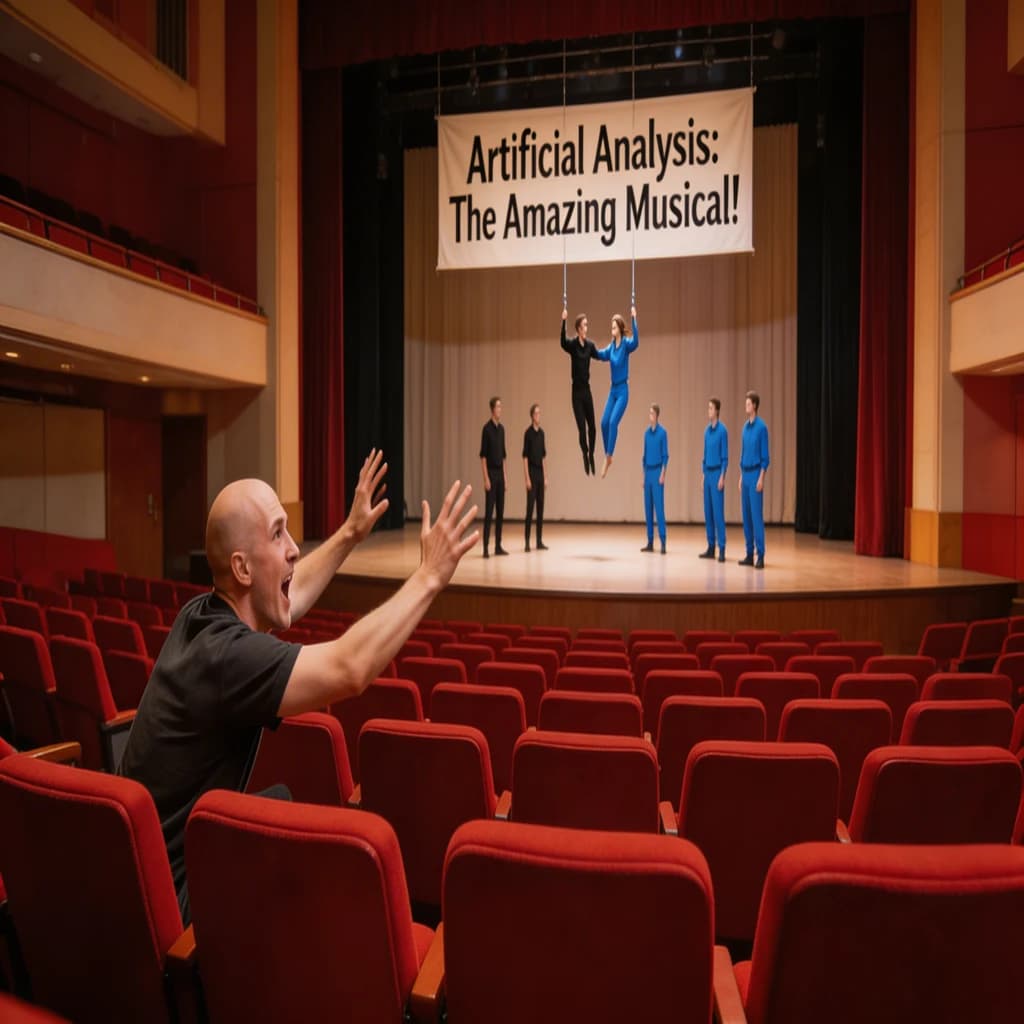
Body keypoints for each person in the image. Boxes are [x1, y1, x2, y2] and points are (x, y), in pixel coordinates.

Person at [119, 451, 478, 923]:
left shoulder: (201, 614)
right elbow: (350, 668)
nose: (294, 548)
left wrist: (350, 532)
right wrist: (429, 577)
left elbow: (291, 594)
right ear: (243, 569)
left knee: (281, 801)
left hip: (136, 871)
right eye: (277, 534)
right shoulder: (232, 660)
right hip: (170, 897)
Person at [595, 305, 639, 478]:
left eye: (613, 326)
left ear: (620, 328)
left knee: (613, 422)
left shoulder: (626, 345)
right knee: (604, 422)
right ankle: (608, 455)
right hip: (613, 390)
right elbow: (600, 355)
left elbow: (636, 342)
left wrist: (635, 318)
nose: (611, 329)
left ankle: (608, 457)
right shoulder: (611, 347)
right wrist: (585, 348)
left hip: (622, 391)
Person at [560, 309, 598, 475]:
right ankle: (584, 453)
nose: (586, 328)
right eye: (584, 325)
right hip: (576, 392)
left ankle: (591, 455)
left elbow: (600, 355)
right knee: (582, 429)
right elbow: (562, 342)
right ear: (578, 329)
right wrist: (563, 321)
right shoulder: (573, 345)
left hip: (586, 390)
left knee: (593, 428)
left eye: (587, 325)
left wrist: (616, 351)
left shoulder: (590, 346)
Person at [738, 390, 770, 569]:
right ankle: (749, 553)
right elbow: (743, 454)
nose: (746, 406)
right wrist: (741, 476)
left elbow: (765, 457)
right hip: (746, 473)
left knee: (756, 517)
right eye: (746, 403)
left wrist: (761, 478)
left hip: (756, 473)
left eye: (748, 403)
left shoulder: (761, 428)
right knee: (746, 516)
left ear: (755, 406)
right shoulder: (744, 427)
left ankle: (761, 555)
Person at [700, 397, 729, 562]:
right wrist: (703, 476)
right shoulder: (706, 431)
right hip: (708, 473)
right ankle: (710, 546)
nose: (708, 410)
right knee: (708, 512)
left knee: (718, 513)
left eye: (711, 408)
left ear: (717, 411)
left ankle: (722, 547)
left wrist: (722, 476)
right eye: (708, 408)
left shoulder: (722, 431)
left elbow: (725, 457)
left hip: (717, 472)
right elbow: (704, 457)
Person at [479, 396, 508, 557]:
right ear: (492, 409)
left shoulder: (502, 429)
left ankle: (498, 546)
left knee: (500, 511)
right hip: (490, 472)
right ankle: (485, 547)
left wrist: (505, 477)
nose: (500, 410)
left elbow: (503, 456)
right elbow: (483, 456)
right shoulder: (486, 429)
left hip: (500, 474)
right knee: (489, 512)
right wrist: (486, 478)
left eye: (500, 407)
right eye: (498, 407)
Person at [640, 403, 669, 555]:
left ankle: (663, 541)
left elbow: (665, 456)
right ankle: (650, 541)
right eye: (649, 413)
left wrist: (663, 474)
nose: (650, 415)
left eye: (652, 413)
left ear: (657, 415)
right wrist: (643, 477)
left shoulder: (662, 433)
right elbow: (644, 457)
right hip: (648, 472)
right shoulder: (646, 434)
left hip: (657, 471)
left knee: (659, 509)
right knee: (648, 509)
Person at [522, 403, 548, 552]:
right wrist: (527, 478)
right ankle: (527, 542)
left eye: (540, 413)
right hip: (531, 472)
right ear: (532, 416)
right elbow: (525, 457)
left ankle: (539, 541)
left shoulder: (542, 433)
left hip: (540, 473)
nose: (539, 416)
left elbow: (544, 456)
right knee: (530, 509)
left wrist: (545, 476)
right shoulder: (528, 433)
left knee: (540, 508)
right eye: (536, 413)